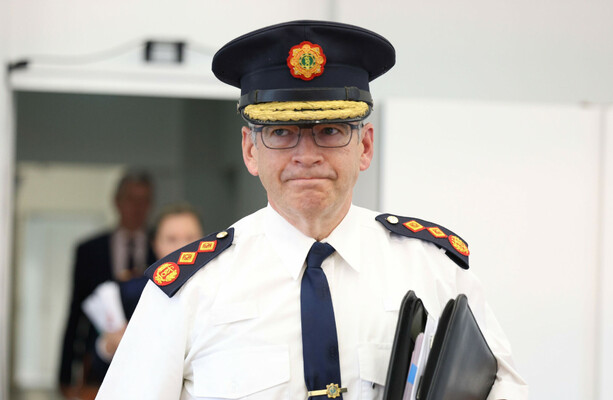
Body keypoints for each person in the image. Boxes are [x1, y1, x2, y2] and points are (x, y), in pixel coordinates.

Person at [96, 21, 528, 400]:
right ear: (250, 150)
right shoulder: (189, 291)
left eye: (331, 130)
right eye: (281, 132)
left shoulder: (433, 269)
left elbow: (502, 390)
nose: (306, 155)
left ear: (365, 146)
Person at [59, 171, 156, 399]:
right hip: (98, 362)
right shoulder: (90, 251)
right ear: (117, 201)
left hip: (149, 363)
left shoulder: (161, 248)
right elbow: (76, 312)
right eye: (131, 199)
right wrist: (65, 374)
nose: (137, 208)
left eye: (144, 200)